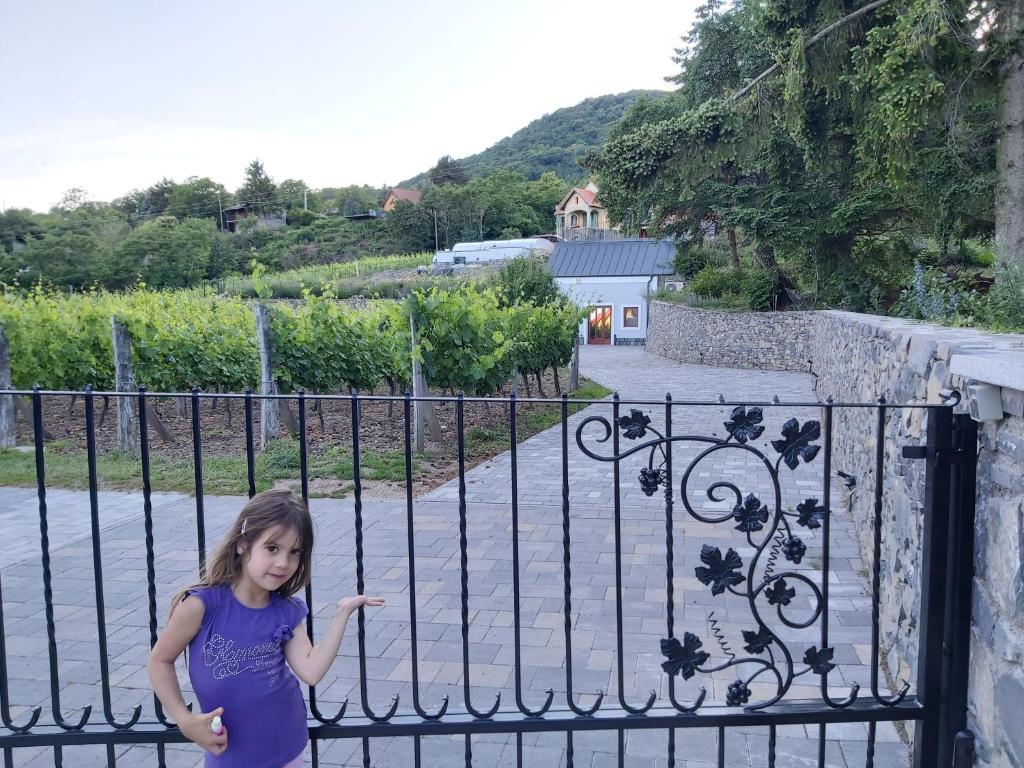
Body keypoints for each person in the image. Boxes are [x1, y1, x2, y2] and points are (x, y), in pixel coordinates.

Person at [148, 490, 384, 767]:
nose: (284, 563)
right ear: (243, 544)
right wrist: (184, 720)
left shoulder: (286, 611)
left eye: (294, 552)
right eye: (272, 548)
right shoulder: (201, 606)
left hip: (287, 746)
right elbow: (159, 661)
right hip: (229, 754)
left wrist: (342, 613)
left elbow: (311, 671)